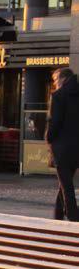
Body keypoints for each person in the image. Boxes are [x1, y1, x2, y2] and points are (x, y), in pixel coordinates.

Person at [46, 67, 79, 221]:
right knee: (64, 185)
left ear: (63, 79)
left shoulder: (58, 96)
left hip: (62, 149)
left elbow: (54, 123)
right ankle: (57, 217)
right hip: (76, 149)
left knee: (67, 188)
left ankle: (73, 219)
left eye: (56, 80)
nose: (55, 84)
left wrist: (48, 138)